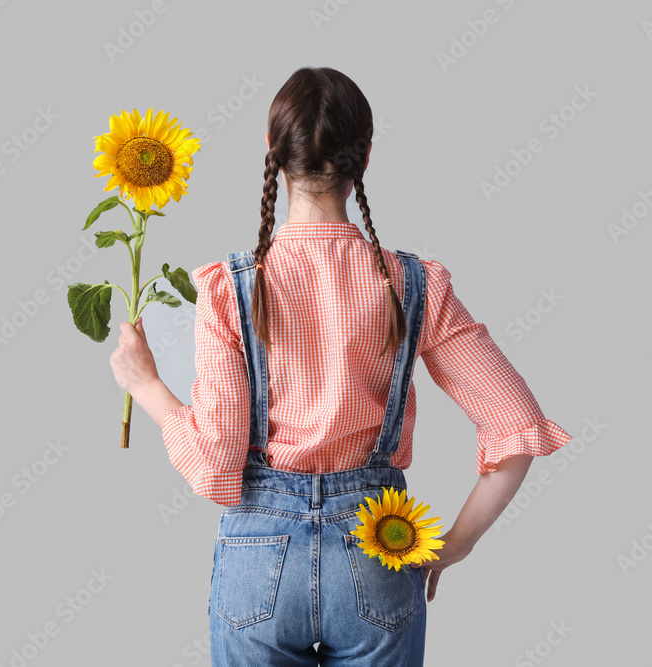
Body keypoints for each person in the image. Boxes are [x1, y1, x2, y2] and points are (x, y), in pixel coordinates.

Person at [110, 66, 573, 666]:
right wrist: (453, 546)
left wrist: (147, 387)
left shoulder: (228, 288)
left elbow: (217, 474)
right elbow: (518, 427)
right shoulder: (415, 285)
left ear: (272, 150)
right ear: (366, 157)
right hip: (379, 549)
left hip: (258, 562)